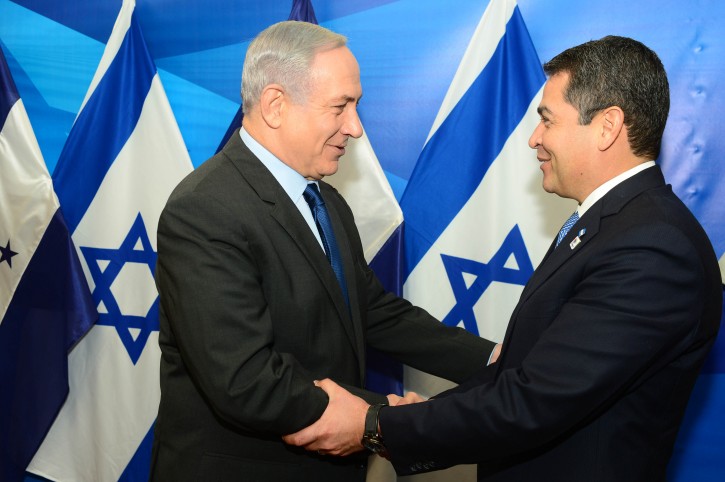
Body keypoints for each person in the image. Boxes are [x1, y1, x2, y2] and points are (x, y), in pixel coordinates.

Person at [283, 35, 723, 481]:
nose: (534, 138)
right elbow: (526, 372)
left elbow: (535, 401)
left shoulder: (652, 247)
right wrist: (424, 413)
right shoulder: (614, 225)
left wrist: (374, 426)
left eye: (547, 120)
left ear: (607, 127)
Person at [149, 20, 497, 482]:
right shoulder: (205, 209)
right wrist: (384, 416)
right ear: (276, 104)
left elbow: (371, 311)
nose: (355, 127)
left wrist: (491, 359)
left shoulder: (326, 199)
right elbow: (244, 380)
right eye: (341, 106)